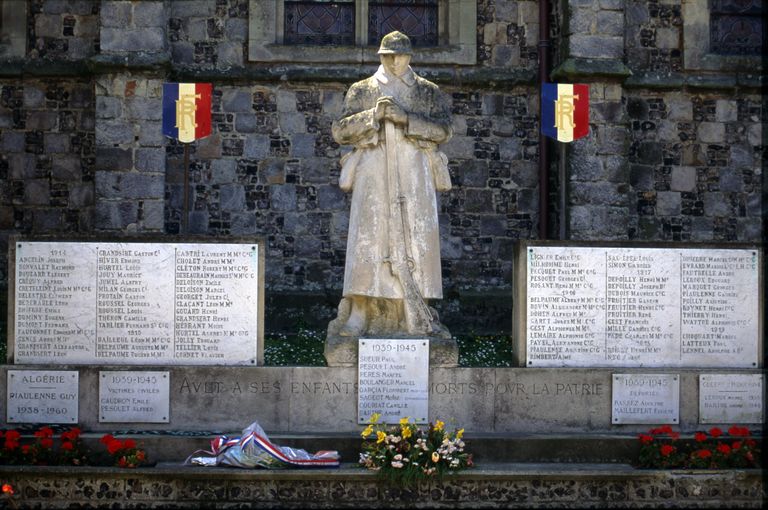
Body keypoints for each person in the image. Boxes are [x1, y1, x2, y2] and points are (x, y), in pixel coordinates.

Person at [331, 31, 453, 337]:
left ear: (409, 56)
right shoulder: (362, 90)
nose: (393, 60)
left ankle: (417, 310)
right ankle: (359, 310)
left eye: (398, 55)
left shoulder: (427, 91)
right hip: (373, 169)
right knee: (368, 236)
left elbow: (443, 132)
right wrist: (373, 116)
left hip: (414, 171)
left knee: (416, 238)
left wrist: (406, 119)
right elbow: (340, 131)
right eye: (387, 55)